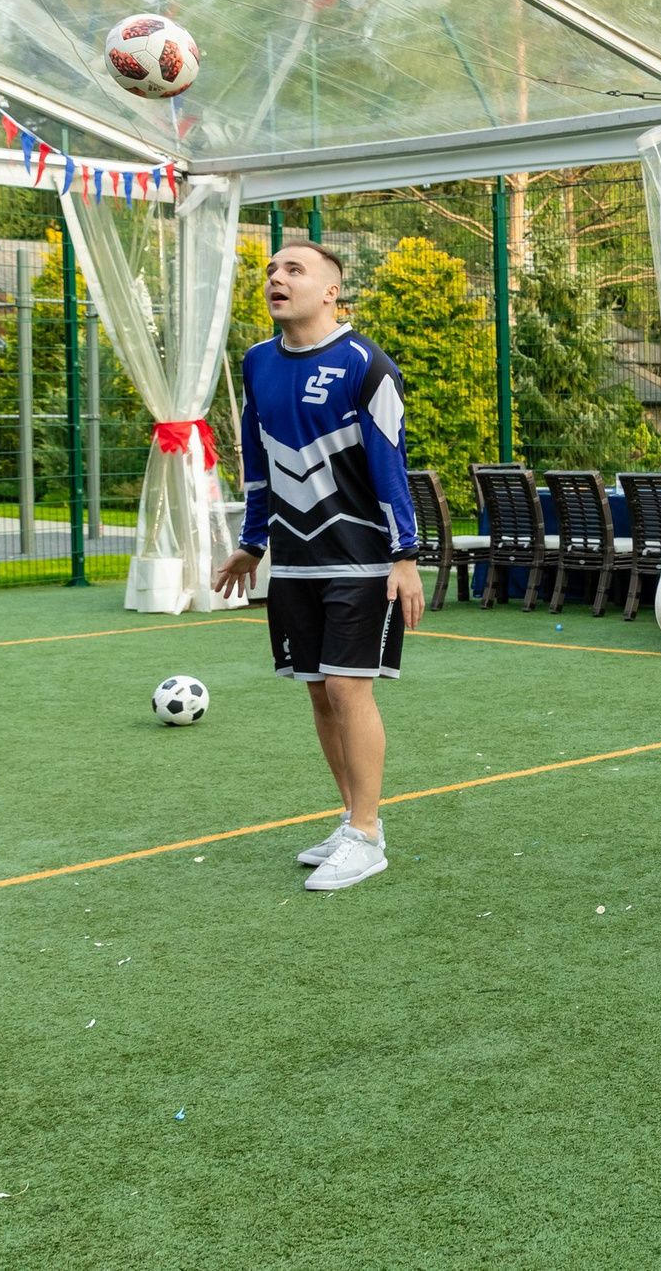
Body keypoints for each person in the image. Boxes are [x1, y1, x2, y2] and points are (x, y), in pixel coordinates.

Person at [213, 241, 425, 893]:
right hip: (295, 562)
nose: (276, 278)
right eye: (271, 271)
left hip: (361, 558)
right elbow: (256, 457)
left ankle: (367, 834)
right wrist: (252, 541)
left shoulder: (366, 363)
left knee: (345, 686)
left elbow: (391, 458)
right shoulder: (255, 364)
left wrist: (406, 554)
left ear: (331, 291)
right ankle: (353, 819)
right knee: (315, 688)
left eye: (293, 269)